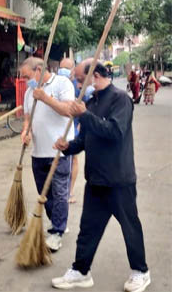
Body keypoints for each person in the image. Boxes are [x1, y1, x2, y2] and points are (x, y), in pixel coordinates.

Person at [52, 61, 150, 292]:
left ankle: (140, 272)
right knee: (88, 229)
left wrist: (84, 116)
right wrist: (67, 147)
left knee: (130, 228)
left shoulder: (120, 100)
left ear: (94, 76)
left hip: (119, 180)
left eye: (78, 80)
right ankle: (80, 271)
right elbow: (85, 139)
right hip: (95, 179)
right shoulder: (90, 103)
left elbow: (114, 132)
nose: (77, 84)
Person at [20, 57, 74, 251]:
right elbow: (28, 118)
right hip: (38, 152)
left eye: (27, 76)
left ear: (40, 69)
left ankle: (57, 231)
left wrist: (46, 98)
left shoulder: (62, 83)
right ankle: (58, 222)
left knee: (59, 193)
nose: (26, 80)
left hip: (59, 150)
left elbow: (69, 110)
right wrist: (25, 132)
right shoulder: (28, 93)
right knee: (45, 193)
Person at [58, 58, 79, 204]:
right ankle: (61, 190)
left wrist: (80, 127)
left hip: (75, 126)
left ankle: (70, 191)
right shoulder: (57, 82)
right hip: (59, 126)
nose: (63, 70)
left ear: (73, 69)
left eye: (66, 67)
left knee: (73, 158)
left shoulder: (78, 85)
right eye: (61, 67)